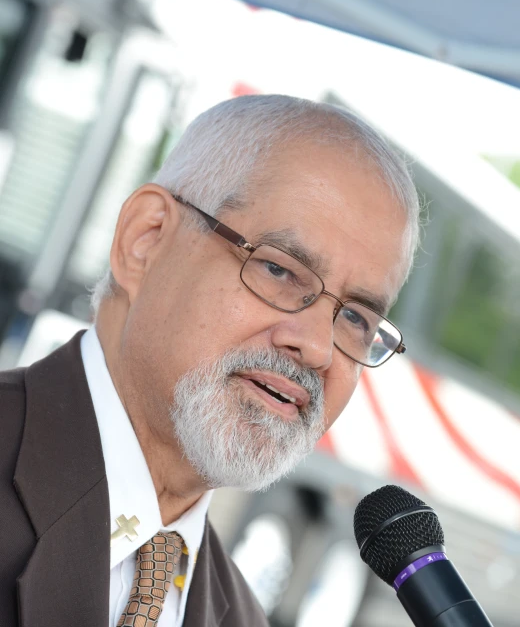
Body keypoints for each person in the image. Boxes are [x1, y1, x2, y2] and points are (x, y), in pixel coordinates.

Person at [0, 94, 419, 627]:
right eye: (279, 270)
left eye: (356, 318)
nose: (316, 347)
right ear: (145, 240)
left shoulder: (241, 617)